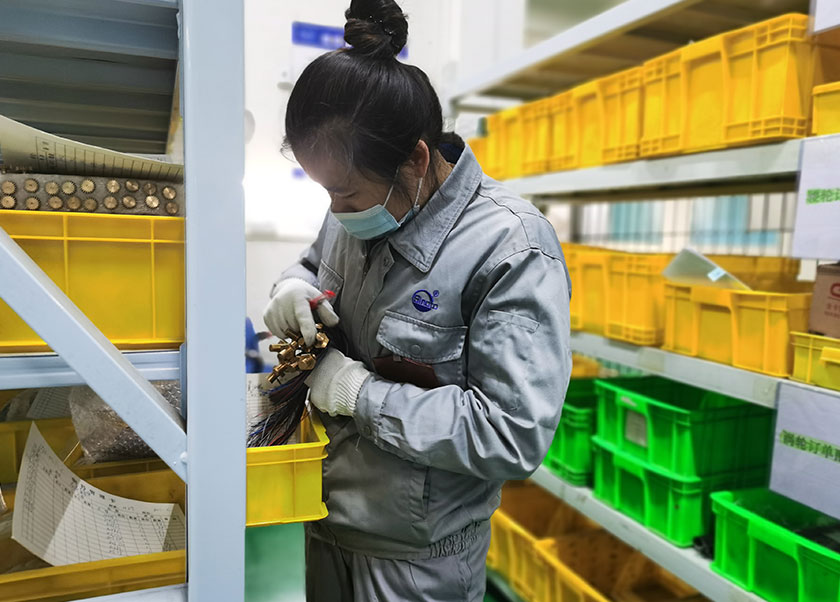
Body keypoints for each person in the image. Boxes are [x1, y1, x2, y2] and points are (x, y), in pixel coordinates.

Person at [263, 1, 571, 599]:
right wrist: (290, 287)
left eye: (346, 194)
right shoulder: (356, 206)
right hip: (325, 523)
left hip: (417, 564)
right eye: (327, 194)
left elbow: (512, 433)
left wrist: (359, 395)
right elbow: (314, 264)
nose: (337, 211)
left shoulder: (510, 247)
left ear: (417, 160)